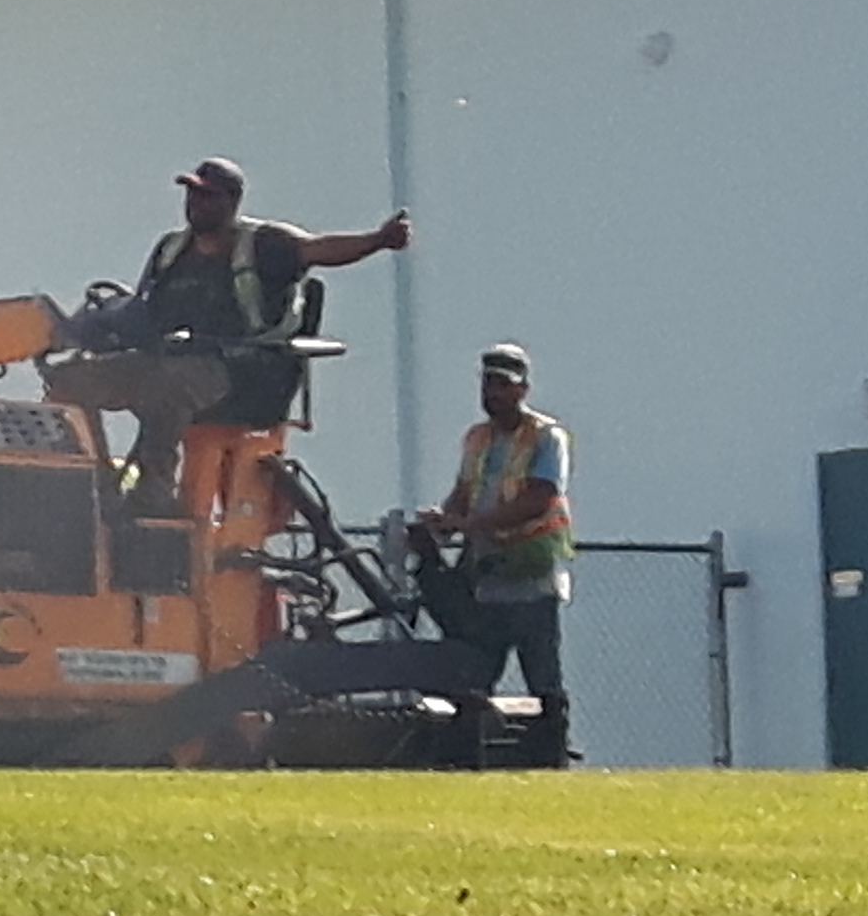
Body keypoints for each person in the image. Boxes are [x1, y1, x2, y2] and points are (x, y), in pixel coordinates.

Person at [103, 158, 414, 493]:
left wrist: (377, 240)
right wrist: (87, 330)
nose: (195, 203)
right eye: (191, 194)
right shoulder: (171, 250)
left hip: (244, 374)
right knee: (76, 379)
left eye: (207, 196)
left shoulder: (264, 246)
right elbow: (141, 312)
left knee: (166, 389)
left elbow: (318, 249)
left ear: (232, 201)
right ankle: (93, 489)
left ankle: (153, 495)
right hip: (175, 363)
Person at [416, 341, 572, 759]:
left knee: (542, 675)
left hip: (531, 577)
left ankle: (551, 752)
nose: (493, 393)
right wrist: (442, 522)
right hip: (486, 580)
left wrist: (470, 525)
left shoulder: (545, 437)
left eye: (503, 385)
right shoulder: (478, 439)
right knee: (475, 674)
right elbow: (464, 492)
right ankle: (470, 755)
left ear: (522, 389)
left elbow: (538, 499)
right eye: (488, 384)